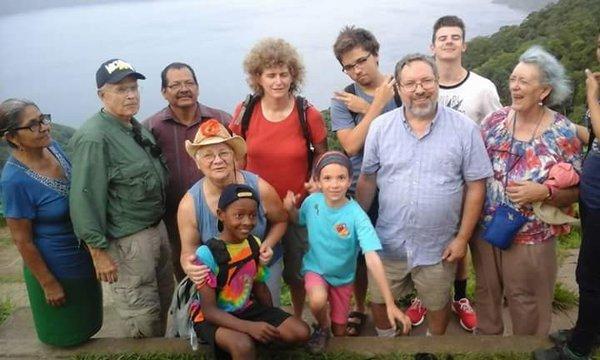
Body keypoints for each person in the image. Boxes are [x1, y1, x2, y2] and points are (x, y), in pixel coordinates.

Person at [356, 53, 492, 336]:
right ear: (399, 89)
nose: (419, 89)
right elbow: (368, 179)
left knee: (438, 303)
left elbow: (477, 185)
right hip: (387, 241)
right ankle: (385, 343)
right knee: (379, 301)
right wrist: (358, 226)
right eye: (410, 83)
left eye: (426, 81)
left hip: (438, 245)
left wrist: (462, 238)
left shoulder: (464, 129)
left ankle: (432, 348)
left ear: (437, 82)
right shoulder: (381, 128)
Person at [473, 46, 582, 337]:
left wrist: (544, 192)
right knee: (486, 292)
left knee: (528, 299)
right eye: (513, 79)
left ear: (544, 90)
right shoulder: (494, 121)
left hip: (532, 234)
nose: (514, 86)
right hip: (487, 229)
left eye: (524, 81)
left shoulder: (562, 132)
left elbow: (578, 189)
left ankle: (528, 348)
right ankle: (488, 347)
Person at [69, 59, 174, 338]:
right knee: (142, 313)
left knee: (165, 301)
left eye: (134, 88)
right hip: (129, 241)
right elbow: (84, 199)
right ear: (102, 95)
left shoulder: (132, 125)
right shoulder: (94, 138)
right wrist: (98, 252)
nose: (131, 95)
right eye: (120, 90)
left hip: (156, 229)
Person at [229, 38, 328, 318]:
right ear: (257, 78)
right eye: (270, 75)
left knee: (299, 274)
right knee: (258, 270)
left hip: (297, 210)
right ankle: (265, 320)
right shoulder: (245, 112)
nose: (278, 81)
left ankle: (296, 319)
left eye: (284, 74)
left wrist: (315, 184)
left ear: (293, 75)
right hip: (255, 210)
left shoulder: (307, 113)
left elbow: (322, 155)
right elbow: (236, 156)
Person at [283, 151, 411, 353]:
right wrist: (290, 209)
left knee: (340, 332)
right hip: (315, 268)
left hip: (343, 278)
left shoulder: (356, 215)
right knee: (316, 301)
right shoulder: (312, 202)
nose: (334, 184)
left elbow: (372, 258)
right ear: (318, 180)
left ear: (349, 179)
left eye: (341, 178)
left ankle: (333, 327)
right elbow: (299, 220)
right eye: (327, 178)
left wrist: (390, 303)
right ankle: (323, 328)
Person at [0, 99, 102, 346]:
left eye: (43, 118)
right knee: (65, 335)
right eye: (33, 125)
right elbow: (22, 241)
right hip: (56, 267)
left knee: (90, 325)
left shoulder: (53, 147)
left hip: (82, 258)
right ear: (12, 137)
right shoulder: (14, 181)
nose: (45, 127)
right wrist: (49, 284)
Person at [427, 15, 503, 332]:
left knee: (471, 248)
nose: (448, 42)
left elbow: (499, 132)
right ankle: (427, 299)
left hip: (474, 186)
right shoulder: (423, 86)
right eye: (442, 37)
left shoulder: (482, 87)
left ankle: (464, 300)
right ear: (432, 46)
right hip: (433, 184)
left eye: (455, 37)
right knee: (433, 245)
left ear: (464, 44)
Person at [330, 25, 401, 335]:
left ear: (376, 54)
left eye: (361, 61)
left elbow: (412, 128)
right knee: (358, 252)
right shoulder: (344, 100)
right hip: (363, 186)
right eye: (348, 66)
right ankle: (360, 306)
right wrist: (375, 107)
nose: (356, 71)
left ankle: (404, 301)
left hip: (401, 183)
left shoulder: (404, 85)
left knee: (400, 248)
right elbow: (351, 145)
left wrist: (368, 111)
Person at [535, 34, 600, 360]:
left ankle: (577, 350)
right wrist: (561, 124)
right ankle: (590, 330)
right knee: (591, 270)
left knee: (589, 275)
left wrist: (591, 98)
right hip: (593, 195)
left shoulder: (596, 94)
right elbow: (593, 139)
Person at [192, 183, 309, 360]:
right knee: (243, 345)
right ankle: (239, 342)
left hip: (245, 309)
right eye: (239, 215)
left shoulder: (253, 243)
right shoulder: (207, 253)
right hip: (213, 318)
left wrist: (270, 319)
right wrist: (248, 327)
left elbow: (259, 287)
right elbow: (209, 310)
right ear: (221, 215)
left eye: (253, 215)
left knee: (301, 331)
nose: (247, 222)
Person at [178, 119, 288, 306]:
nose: (217, 160)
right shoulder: (189, 205)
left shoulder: (259, 188)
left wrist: (268, 245)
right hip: (221, 272)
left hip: (261, 263)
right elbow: (187, 251)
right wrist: (189, 266)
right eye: (208, 155)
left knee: (269, 313)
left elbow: (281, 220)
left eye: (223, 153)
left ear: (234, 157)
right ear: (197, 163)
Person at [144, 62, 232, 282]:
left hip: (224, 211)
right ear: (164, 92)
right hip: (175, 216)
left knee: (230, 269)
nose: (184, 89)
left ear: (198, 87)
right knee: (189, 273)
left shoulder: (221, 120)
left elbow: (241, 159)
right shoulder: (151, 128)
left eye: (189, 83)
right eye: (175, 85)